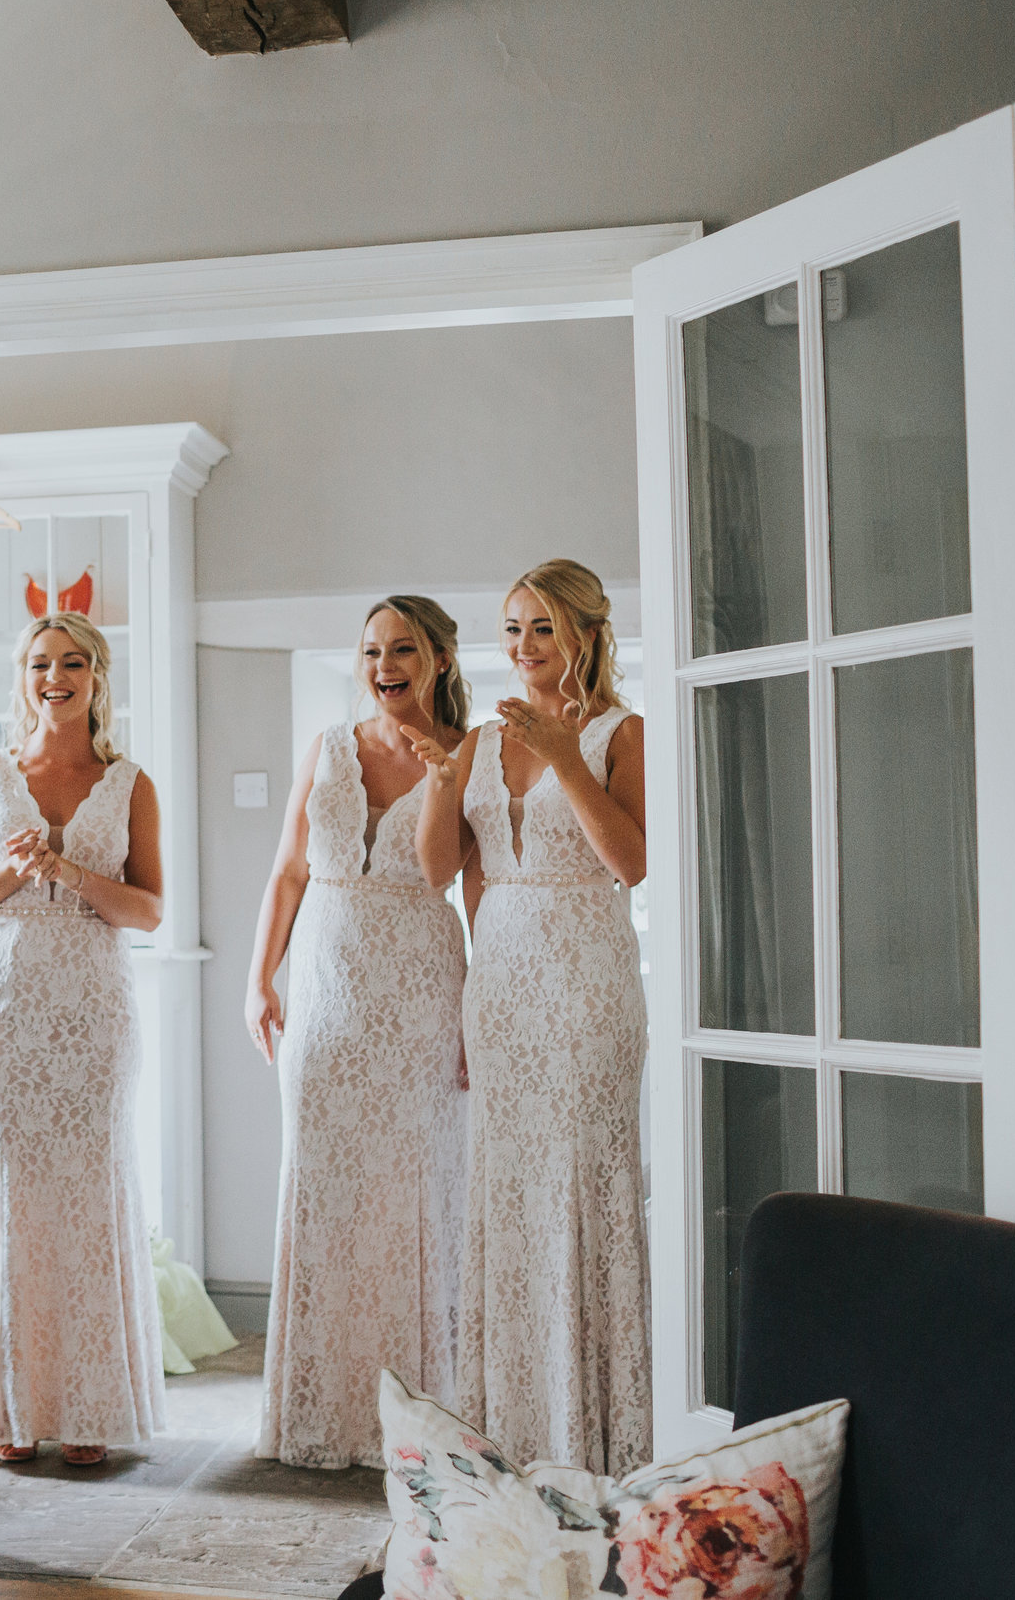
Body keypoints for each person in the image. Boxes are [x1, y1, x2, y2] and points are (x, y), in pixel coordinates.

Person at [410, 557, 651, 1473]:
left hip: (586, 975)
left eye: (541, 628)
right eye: (512, 629)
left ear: (586, 633)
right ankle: (513, 1419)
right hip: (503, 982)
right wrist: (441, 781)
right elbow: (444, 872)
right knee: (507, 1190)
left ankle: (594, 1423)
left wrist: (560, 753)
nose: (522, 648)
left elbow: (630, 861)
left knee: (577, 1179)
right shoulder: (477, 738)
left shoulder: (625, 731)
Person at [246, 596, 473, 1468]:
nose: (385, 663)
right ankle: (321, 1410)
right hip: (327, 991)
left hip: (420, 988)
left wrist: (445, 777)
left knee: (414, 1192)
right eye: (372, 649)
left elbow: (447, 874)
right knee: (325, 1188)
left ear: (440, 659)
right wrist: (256, 978)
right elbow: (290, 869)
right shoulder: (328, 748)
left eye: (404, 648)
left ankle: (413, 1418)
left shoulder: (469, 755)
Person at [0, 612, 167, 1467]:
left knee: (86, 1188)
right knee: (8, 1186)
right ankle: (7, 1403)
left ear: (97, 676)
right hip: (3, 1004)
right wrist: (15, 869)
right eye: (42, 662)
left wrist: (69, 870)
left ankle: (88, 1404)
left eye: (74, 662)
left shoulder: (130, 781)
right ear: (24, 674)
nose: (56, 676)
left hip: (93, 1006)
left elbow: (148, 908)